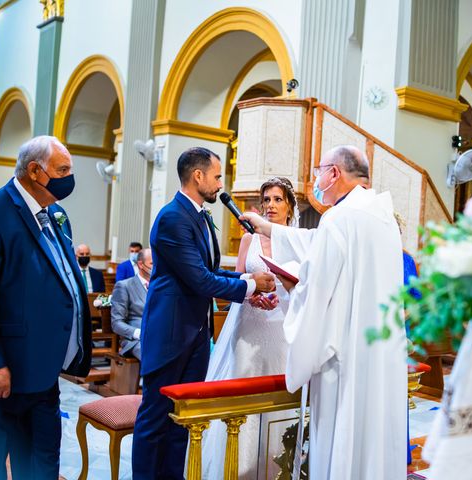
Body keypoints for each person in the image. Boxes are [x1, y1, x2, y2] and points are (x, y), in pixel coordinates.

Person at [242, 145, 407, 479]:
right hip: (379, 352)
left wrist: (293, 288)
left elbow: (317, 292)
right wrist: (267, 228)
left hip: (344, 356)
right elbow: (316, 243)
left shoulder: (340, 218)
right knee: (371, 439)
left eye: (318, 170)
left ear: (334, 173)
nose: (316, 179)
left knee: (341, 438)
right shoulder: (381, 215)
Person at [0, 135, 92, 480]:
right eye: (63, 170)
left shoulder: (56, 214)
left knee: (41, 468)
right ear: (34, 171)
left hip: (42, 375)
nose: (69, 177)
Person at [132, 147, 276, 480]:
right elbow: (199, 280)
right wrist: (251, 285)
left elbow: (209, 269)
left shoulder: (199, 214)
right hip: (170, 333)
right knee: (155, 418)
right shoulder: (172, 217)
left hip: (195, 334)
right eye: (216, 176)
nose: (219, 183)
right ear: (198, 176)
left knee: (185, 417)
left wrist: (243, 279)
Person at [202, 177, 299, 479]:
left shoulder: (296, 239)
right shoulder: (249, 239)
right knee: (243, 390)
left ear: (290, 206)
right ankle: (238, 468)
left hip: (283, 325)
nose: (271, 205)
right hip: (251, 324)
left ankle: (275, 468)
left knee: (279, 394)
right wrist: (253, 296)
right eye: (266, 199)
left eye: (278, 199)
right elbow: (236, 281)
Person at [111, 248, 152, 360]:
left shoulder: (159, 286)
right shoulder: (124, 286)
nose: (156, 267)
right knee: (153, 355)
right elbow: (116, 323)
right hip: (135, 340)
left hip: (159, 336)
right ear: (141, 264)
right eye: (152, 263)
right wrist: (139, 333)